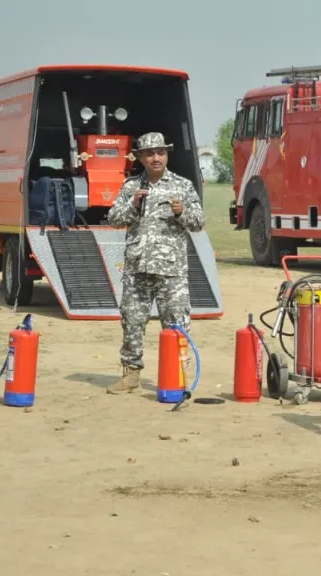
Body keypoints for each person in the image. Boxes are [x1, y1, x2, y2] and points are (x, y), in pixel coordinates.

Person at [105, 132, 205, 395]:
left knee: (176, 325)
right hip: (137, 268)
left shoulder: (182, 185)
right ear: (141, 157)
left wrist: (182, 212)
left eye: (161, 152)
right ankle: (131, 375)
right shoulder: (131, 186)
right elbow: (113, 218)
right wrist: (133, 205)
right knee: (132, 321)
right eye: (150, 154)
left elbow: (198, 222)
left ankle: (176, 376)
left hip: (171, 271)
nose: (156, 158)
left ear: (167, 155)